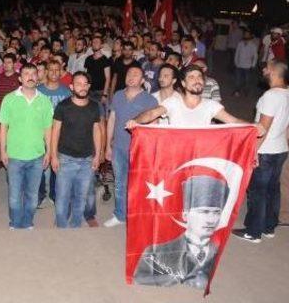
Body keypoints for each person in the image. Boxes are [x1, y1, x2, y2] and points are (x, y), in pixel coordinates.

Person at [133, 175, 227, 289]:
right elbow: (139, 278)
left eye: (216, 212)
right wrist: (172, 277)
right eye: (204, 211)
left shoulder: (216, 250)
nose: (211, 220)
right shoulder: (156, 251)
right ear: (185, 215)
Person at [234, 60, 289, 243]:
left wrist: (253, 152)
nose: (264, 70)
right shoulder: (287, 94)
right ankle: (268, 227)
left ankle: (253, 231)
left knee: (258, 191)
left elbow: (263, 128)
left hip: (265, 151)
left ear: (274, 72)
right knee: (272, 190)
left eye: (267, 67)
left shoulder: (270, 96)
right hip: (281, 149)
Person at [0, 63, 53, 230]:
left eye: (33, 73)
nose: (30, 76)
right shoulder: (9, 99)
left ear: (38, 78)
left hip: (37, 156)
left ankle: (28, 222)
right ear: (20, 78)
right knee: (14, 195)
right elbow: (3, 127)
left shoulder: (44, 101)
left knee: (32, 193)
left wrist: (49, 152)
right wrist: (2, 151)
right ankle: (15, 222)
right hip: (14, 155)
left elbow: (48, 129)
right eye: (26, 73)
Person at [104, 66, 158, 227]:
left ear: (142, 80)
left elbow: (154, 126)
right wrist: (108, 145)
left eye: (136, 74)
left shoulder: (150, 100)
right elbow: (112, 119)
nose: (131, 76)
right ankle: (120, 215)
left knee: (139, 184)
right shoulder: (119, 95)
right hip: (119, 148)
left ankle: (136, 215)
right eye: (129, 74)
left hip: (139, 150)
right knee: (120, 183)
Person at [51, 71, 102, 228]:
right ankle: (61, 227)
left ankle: (75, 229)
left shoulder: (94, 106)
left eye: (85, 84)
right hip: (65, 159)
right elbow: (55, 131)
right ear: (72, 86)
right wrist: (53, 156)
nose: (82, 87)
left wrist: (97, 156)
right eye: (78, 84)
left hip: (87, 159)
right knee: (62, 198)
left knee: (81, 198)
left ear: (89, 86)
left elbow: (96, 131)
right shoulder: (63, 106)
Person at [127, 65, 249, 128]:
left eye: (199, 77)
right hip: (176, 160)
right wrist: (135, 121)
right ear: (184, 84)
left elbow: (234, 121)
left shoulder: (211, 106)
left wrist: (254, 126)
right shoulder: (173, 102)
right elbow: (151, 114)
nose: (197, 80)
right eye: (192, 77)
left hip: (198, 161)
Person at [36, 59, 72, 206]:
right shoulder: (38, 91)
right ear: (46, 72)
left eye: (57, 70)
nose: (54, 73)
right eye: (51, 70)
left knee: (57, 166)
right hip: (41, 133)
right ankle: (39, 195)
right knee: (39, 166)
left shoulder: (66, 91)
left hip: (60, 134)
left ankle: (55, 194)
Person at [84, 36, 111, 105]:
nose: (94, 44)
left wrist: (105, 94)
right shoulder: (88, 59)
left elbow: (108, 78)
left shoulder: (105, 60)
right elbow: (86, 75)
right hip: (89, 91)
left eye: (97, 42)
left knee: (101, 113)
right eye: (93, 42)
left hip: (100, 92)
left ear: (101, 45)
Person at [233, 29, 258, 97]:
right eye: (245, 34)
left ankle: (246, 92)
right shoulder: (240, 43)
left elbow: (255, 56)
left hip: (248, 66)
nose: (246, 35)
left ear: (250, 36)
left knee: (247, 80)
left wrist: (253, 65)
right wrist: (236, 62)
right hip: (239, 65)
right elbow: (237, 53)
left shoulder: (253, 45)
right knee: (238, 79)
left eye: (247, 34)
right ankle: (237, 91)